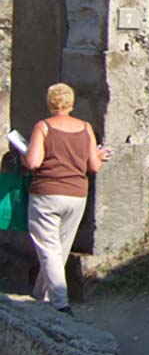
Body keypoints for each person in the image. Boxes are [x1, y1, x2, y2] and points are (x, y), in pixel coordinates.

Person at [22, 83, 112, 316]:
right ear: (71, 102)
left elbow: (33, 162)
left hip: (46, 193)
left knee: (49, 248)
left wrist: (25, 154)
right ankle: (40, 296)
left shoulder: (43, 127)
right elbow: (94, 166)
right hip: (76, 194)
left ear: (50, 102)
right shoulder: (85, 128)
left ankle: (60, 303)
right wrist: (99, 155)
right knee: (59, 249)